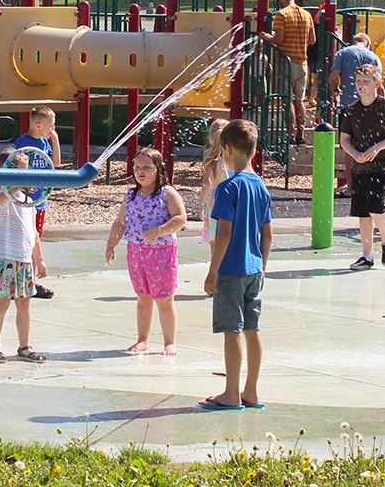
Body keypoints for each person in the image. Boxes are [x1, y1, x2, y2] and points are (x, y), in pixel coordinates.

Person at [200, 119, 273, 410]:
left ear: (227, 149)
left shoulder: (228, 188)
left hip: (231, 269)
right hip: (255, 268)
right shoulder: (261, 187)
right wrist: (263, 267)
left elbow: (224, 232)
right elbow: (267, 235)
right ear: (254, 151)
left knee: (232, 329)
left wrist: (212, 270)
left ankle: (231, 393)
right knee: (252, 328)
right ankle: (251, 391)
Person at [105, 147, 187, 355]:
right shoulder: (131, 195)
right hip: (136, 252)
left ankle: (170, 341)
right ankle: (143, 339)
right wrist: (111, 244)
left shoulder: (168, 193)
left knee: (164, 298)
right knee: (143, 297)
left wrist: (160, 230)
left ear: (158, 170)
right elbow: (120, 222)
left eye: (147, 167)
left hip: (162, 252)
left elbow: (180, 218)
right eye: (137, 167)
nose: (140, 171)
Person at [338, 64, 385, 269]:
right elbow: (345, 140)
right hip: (360, 167)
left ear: (377, 83)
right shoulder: (352, 110)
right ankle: (367, 256)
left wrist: (377, 147)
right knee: (363, 212)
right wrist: (355, 155)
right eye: (358, 81)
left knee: (376, 205)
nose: (360, 85)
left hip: (382, 164)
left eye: (365, 81)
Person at [0, 151, 48, 363]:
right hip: (4, 258)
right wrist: (19, 184)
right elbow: (2, 198)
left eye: (25, 172)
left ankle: (24, 346)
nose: (24, 176)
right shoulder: (0, 196)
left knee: (24, 304)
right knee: (2, 302)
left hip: (24, 259)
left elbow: (33, 233)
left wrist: (39, 259)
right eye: (18, 172)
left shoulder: (29, 201)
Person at [12, 106, 63, 299]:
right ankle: (28, 280)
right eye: (51, 125)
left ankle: (30, 280)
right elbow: (13, 166)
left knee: (35, 240)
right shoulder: (22, 143)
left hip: (40, 202)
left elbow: (56, 164)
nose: (53, 129)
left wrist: (55, 141)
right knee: (28, 240)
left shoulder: (44, 142)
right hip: (25, 202)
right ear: (38, 124)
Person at [261, 0, 316, 143]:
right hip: (303, 63)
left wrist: (267, 37)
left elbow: (278, 40)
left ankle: (290, 135)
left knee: (287, 100)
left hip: (286, 62)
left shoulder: (281, 15)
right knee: (299, 100)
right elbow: (312, 40)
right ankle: (301, 134)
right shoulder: (307, 15)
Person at [330, 33, 382, 195]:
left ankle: (351, 187)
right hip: (369, 106)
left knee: (348, 146)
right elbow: (380, 85)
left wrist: (335, 89)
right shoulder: (373, 56)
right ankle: (370, 185)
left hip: (348, 106)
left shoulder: (343, 53)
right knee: (371, 144)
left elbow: (333, 76)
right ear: (368, 44)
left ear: (353, 42)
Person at [198, 119, 228, 244]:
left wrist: (201, 204)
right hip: (231, 197)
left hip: (216, 200)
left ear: (210, 137)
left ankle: (216, 263)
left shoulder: (213, 162)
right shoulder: (233, 159)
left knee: (214, 237)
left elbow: (207, 183)